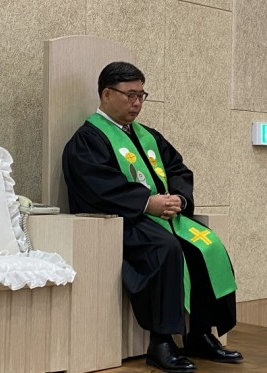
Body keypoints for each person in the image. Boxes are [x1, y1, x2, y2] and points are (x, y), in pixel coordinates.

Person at [62, 61, 243, 373]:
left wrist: (178, 199)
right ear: (106, 94)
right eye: (130, 95)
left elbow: (178, 170)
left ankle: (200, 334)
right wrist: (147, 203)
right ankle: (161, 343)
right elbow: (97, 187)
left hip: (160, 216)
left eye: (141, 95)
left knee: (205, 245)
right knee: (165, 248)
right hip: (120, 221)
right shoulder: (88, 139)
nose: (137, 103)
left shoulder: (149, 137)